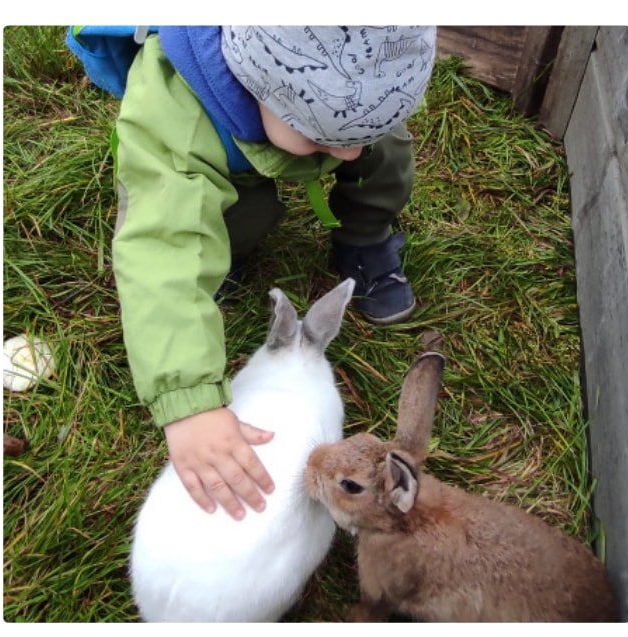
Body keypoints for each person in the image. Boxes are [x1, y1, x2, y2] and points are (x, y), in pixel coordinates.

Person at [88, 24, 435, 520]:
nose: (349, 153)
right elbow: (160, 249)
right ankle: (228, 247)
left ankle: (364, 234)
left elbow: (353, 134)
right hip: (217, 144)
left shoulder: (364, 98)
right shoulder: (175, 120)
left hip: (312, 106)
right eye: (320, 135)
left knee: (383, 154)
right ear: (251, 82)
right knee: (234, 218)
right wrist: (189, 402)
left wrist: (355, 131)